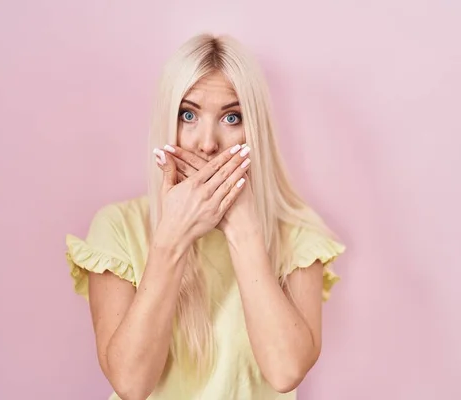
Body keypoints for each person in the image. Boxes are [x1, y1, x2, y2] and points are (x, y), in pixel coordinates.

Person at [64, 33, 346, 400]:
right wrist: (172, 238)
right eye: (188, 114)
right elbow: (130, 384)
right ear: (168, 120)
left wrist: (243, 229)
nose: (208, 143)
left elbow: (285, 371)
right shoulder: (118, 227)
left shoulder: (296, 233)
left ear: (254, 129)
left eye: (232, 117)